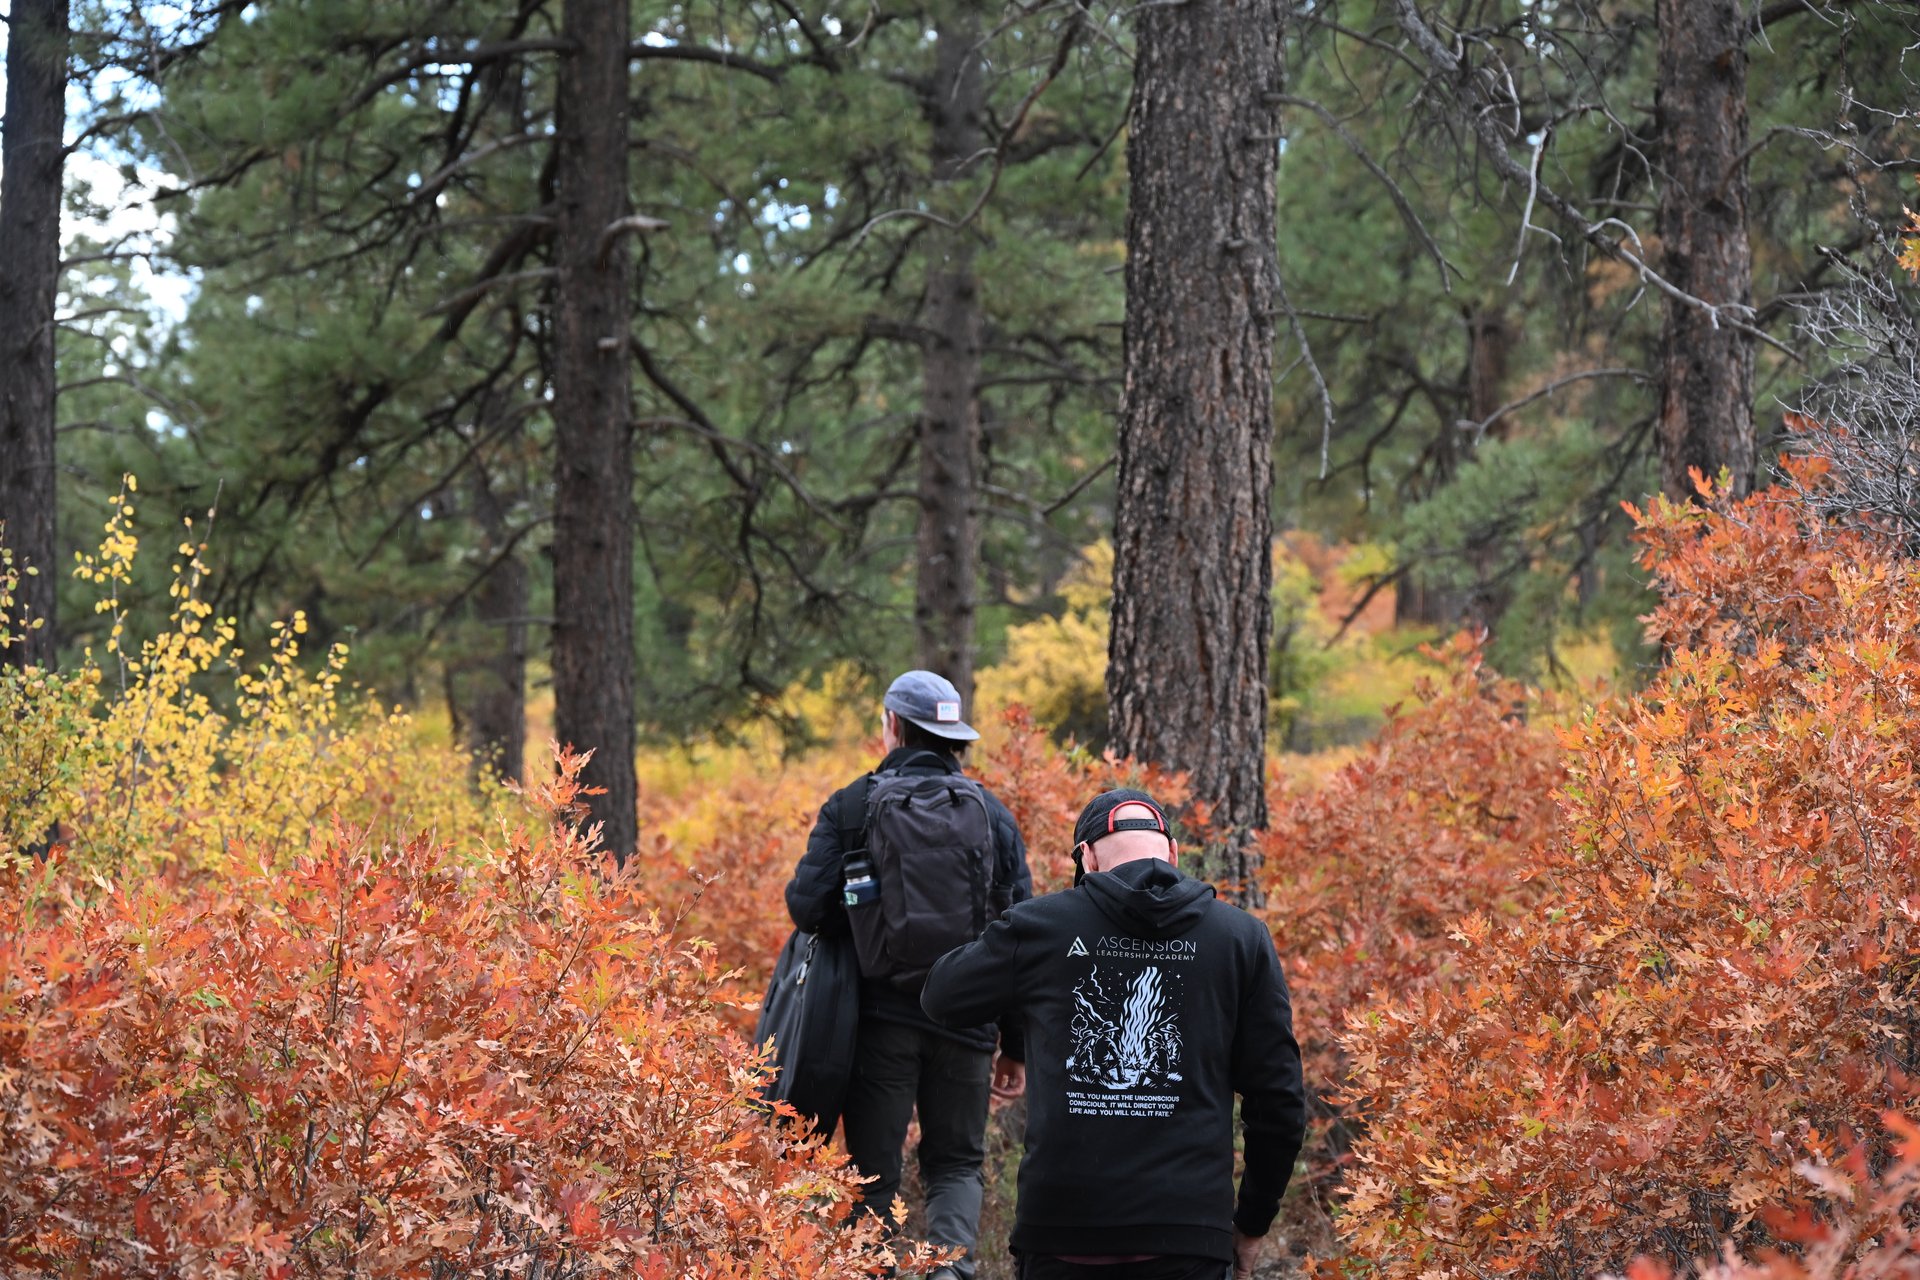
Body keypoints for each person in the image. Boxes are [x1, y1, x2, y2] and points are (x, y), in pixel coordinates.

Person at [921, 788, 1308, 1280]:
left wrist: (1021, 939)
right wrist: (1252, 1221)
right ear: (1171, 852)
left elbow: (942, 996)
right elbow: (1279, 1101)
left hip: (1061, 1235)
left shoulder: (1041, 927)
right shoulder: (1240, 938)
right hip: (1189, 1238)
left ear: (1086, 858)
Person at [785, 670, 1034, 1280]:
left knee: (873, 1173)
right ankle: (951, 1272)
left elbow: (807, 908)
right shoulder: (993, 815)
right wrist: (1016, 1045)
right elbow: (1020, 934)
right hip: (969, 1024)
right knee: (955, 1164)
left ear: (892, 726)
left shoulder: (850, 806)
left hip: (879, 1026)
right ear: (955, 738)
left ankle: (871, 1270)